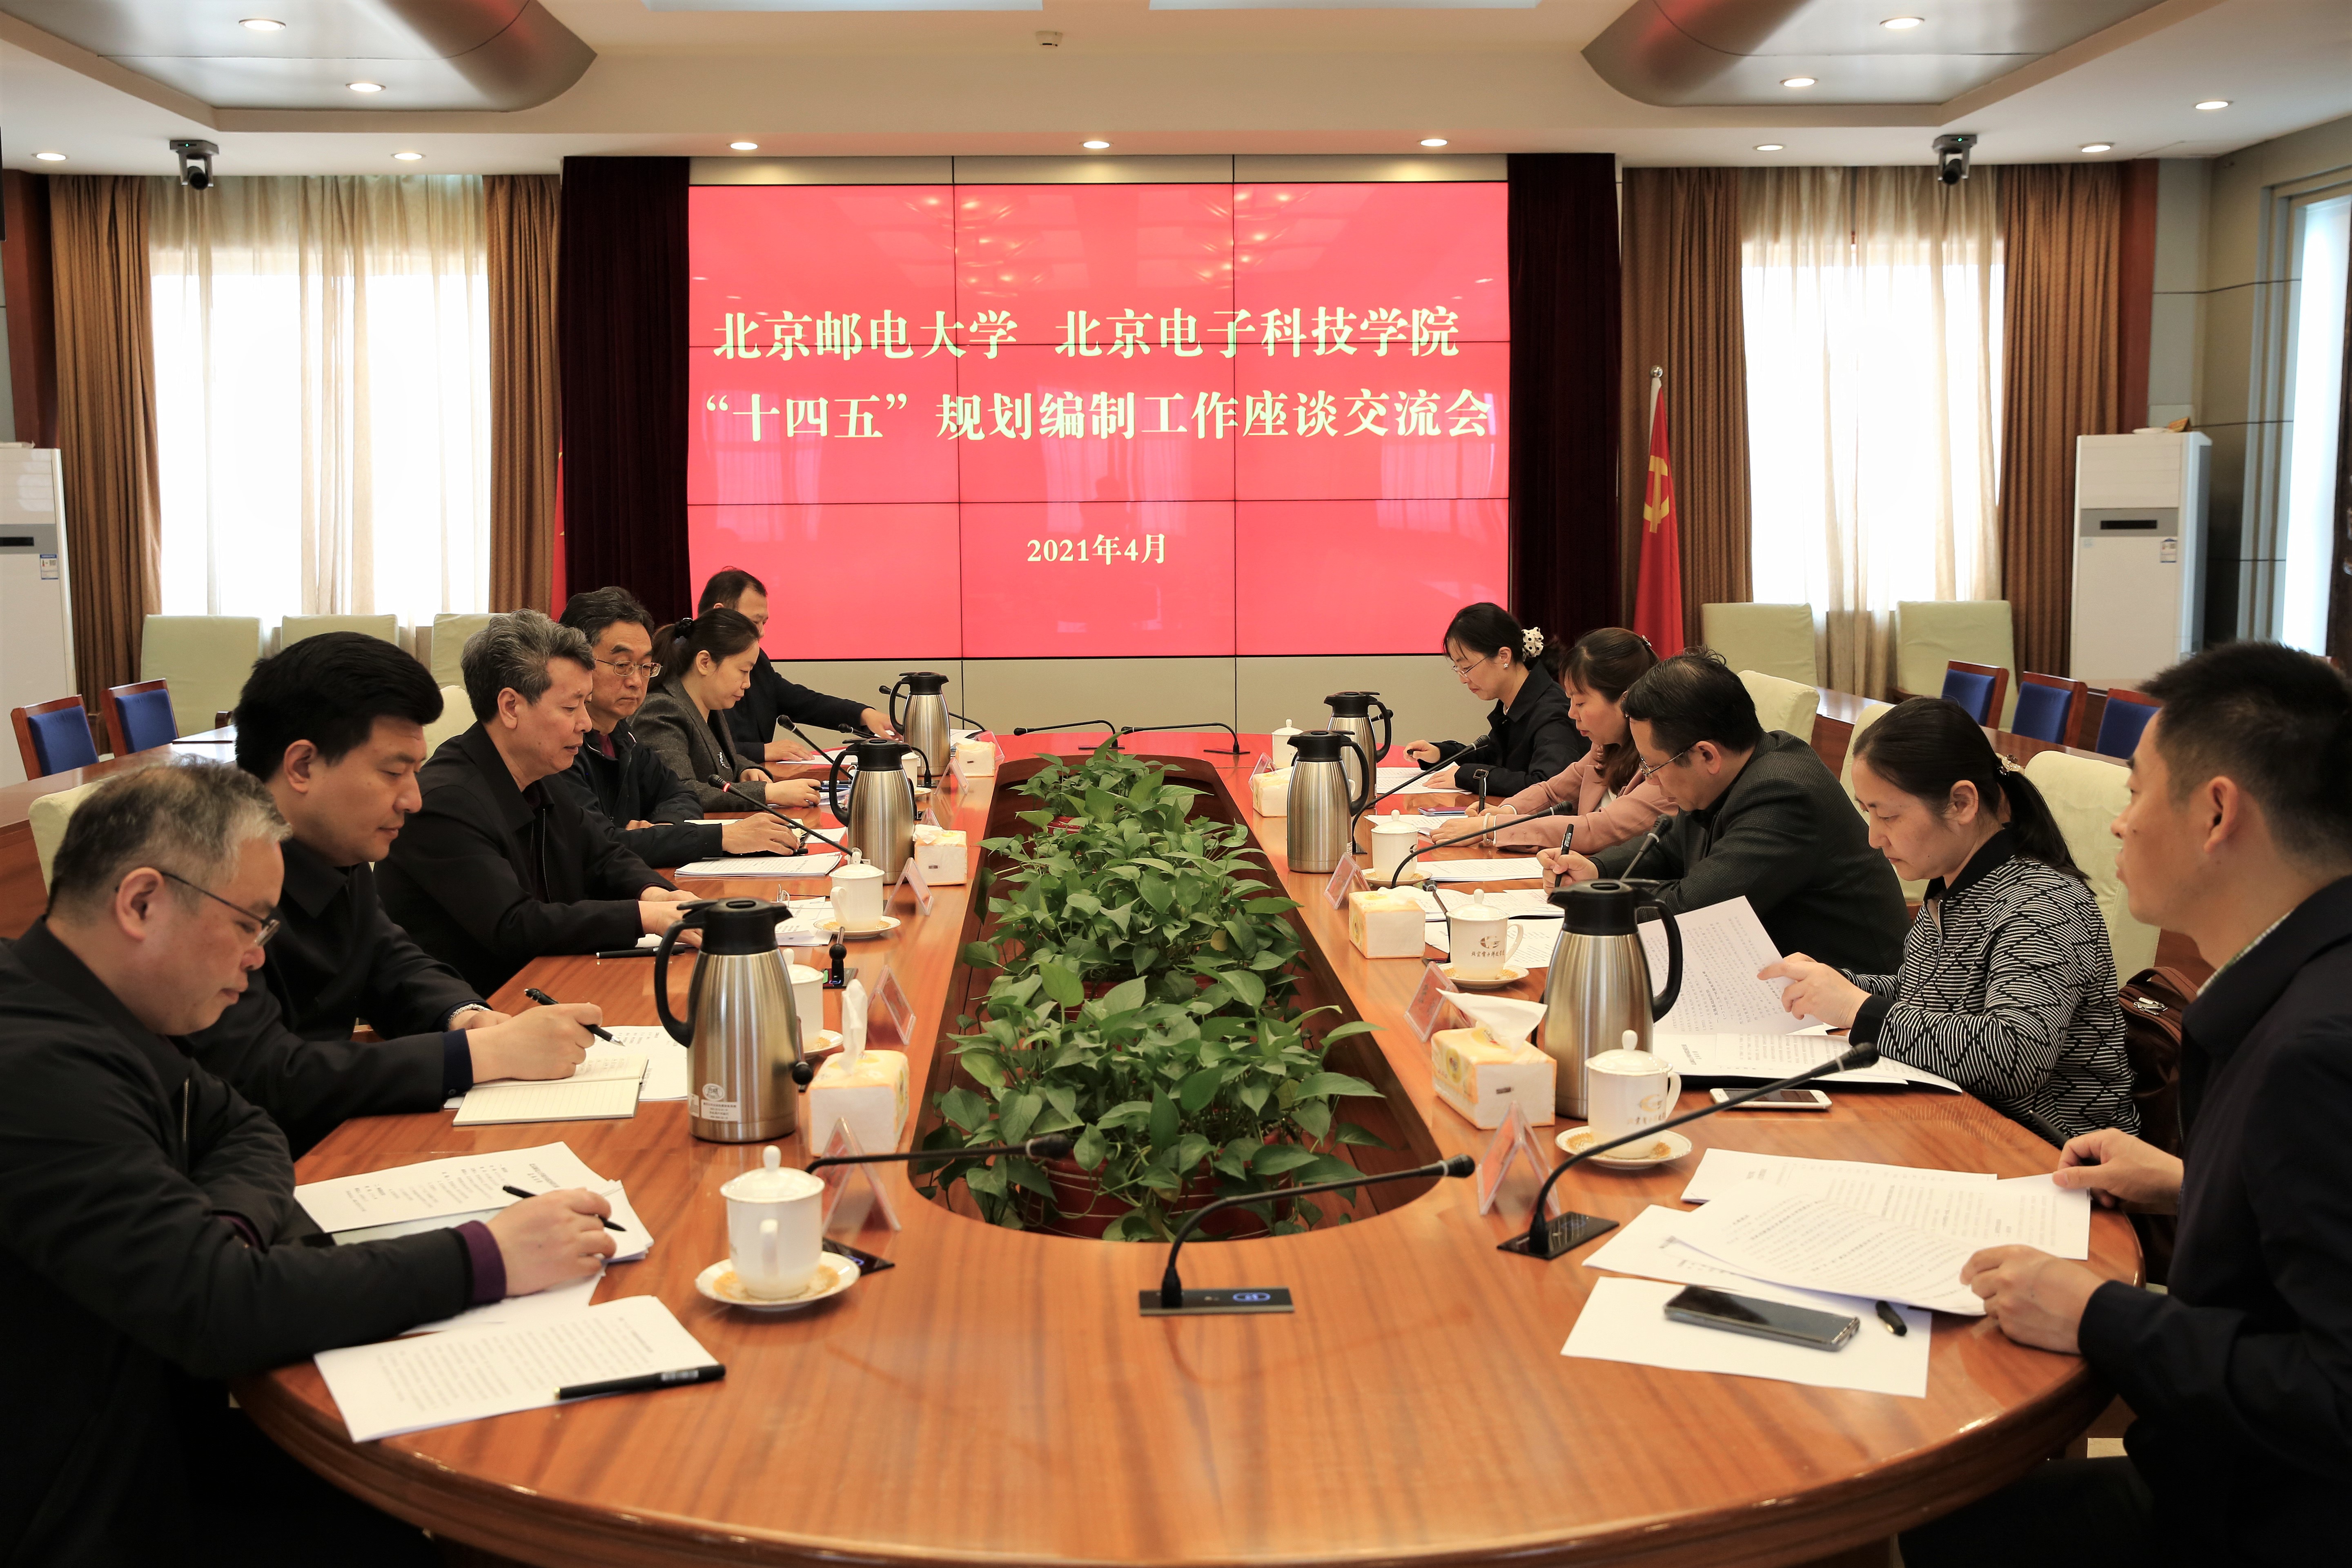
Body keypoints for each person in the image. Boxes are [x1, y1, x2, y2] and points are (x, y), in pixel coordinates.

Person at [0, 762, 616, 1565]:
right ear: (142, 902)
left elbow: (244, 1128)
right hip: (99, 1500)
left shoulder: (107, 1008)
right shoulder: (37, 1066)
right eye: (249, 924)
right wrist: (488, 1256)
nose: (259, 958)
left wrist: (225, 1224)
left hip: (167, 1426)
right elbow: (221, 1308)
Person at [1899, 642, 2352, 1566]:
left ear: (2216, 811)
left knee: (1931, 1525)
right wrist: (2193, 1182)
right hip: (2245, 1480)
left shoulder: (2315, 1049)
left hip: (2262, 1521)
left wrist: (2096, 1311)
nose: (2118, 821)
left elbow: (2337, 1392)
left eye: (2135, 789)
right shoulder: (2310, 974)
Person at [183, 633, 599, 1156]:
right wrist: (478, 1055)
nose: (413, 799)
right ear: (303, 766)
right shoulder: (204, 877)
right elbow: (265, 1074)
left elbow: (390, 961)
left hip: (331, 1139)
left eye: (415, 773)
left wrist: (468, 1017)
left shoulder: (336, 844)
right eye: (393, 773)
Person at [1761, 698, 2136, 1145]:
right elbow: (1923, 992)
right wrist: (1832, 986)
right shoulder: (1955, 884)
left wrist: (1857, 1009)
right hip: (1958, 1125)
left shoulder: (2044, 903)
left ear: (1961, 803)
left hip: (2053, 1154)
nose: (1874, 837)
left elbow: (2015, 1056)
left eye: (1888, 815)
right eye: (1868, 812)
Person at [379, 610, 695, 995]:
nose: (585, 723)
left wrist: (658, 895)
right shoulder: (445, 803)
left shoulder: (541, 774)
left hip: (549, 981)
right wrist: (644, 916)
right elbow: (514, 924)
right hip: (481, 1007)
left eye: (586, 704)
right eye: (571, 707)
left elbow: (604, 856)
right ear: (511, 707)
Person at [1555, 648, 1908, 974]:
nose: (1651, 779)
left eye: (1653, 766)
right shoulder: (1732, 771)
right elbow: (1668, 848)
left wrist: (1596, 900)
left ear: (1706, 755)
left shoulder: (1784, 796)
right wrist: (1597, 869)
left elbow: (1691, 912)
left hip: (1850, 996)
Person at [554, 587, 803, 866]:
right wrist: (720, 838)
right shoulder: (559, 747)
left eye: (645, 666)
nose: (636, 681)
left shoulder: (622, 735)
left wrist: (666, 831)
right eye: (622, 665)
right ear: (577, 664)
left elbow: (681, 794)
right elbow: (600, 845)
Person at [1446, 627, 1672, 854]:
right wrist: (1508, 811)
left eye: (1580, 703)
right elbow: (1554, 792)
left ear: (1626, 703)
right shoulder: (1604, 748)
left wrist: (1492, 829)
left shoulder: (1664, 765)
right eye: (1570, 700)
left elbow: (1597, 830)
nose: (1572, 713)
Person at [634, 608, 820, 814]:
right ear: (705, 663)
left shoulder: (709, 705)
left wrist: (746, 769)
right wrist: (767, 793)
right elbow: (681, 791)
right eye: (743, 671)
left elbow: (718, 761)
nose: (748, 684)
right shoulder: (661, 710)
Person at [699, 566, 894, 762]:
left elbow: (803, 702)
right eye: (754, 622)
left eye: (764, 623)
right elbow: (698, 748)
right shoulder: (689, 668)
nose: (761, 633)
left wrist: (864, 714)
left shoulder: (759, 662)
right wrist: (761, 751)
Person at [1398, 601, 1584, 798]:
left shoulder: (1551, 711)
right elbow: (1494, 758)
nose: (1463, 679)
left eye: (1467, 668)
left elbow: (1548, 785)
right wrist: (1442, 754)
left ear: (1504, 656)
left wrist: (1469, 776)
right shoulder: (1514, 701)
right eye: (1458, 669)